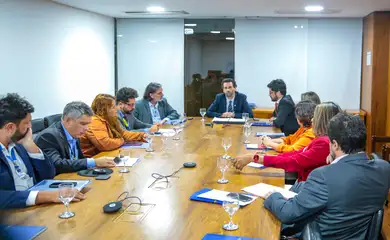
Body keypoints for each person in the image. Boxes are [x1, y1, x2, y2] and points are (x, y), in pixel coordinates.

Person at [263, 113, 390, 239]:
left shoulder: (323, 176)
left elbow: (288, 214)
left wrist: (273, 197)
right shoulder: (384, 169)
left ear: (334, 144)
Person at [0, 94, 85, 209]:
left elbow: (49, 174)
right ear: (10, 128)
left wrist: (31, 145)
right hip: (12, 214)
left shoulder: (19, 144)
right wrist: (44, 196)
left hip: (35, 208)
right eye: (26, 123)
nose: (30, 127)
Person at [233, 102, 342, 182]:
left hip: (307, 190)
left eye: (316, 117)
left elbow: (294, 161)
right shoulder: (322, 140)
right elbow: (295, 154)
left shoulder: (323, 143)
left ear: (323, 121)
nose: (312, 120)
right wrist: (259, 157)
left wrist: (254, 158)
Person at [35, 101, 116, 174]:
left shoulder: (75, 132)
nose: (87, 128)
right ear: (68, 120)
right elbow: (57, 165)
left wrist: (97, 165)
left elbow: (78, 159)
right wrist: (94, 162)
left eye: (88, 124)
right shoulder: (48, 136)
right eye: (83, 124)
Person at [80, 94, 146, 158]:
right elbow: (105, 144)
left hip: (105, 156)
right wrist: (122, 140)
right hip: (93, 159)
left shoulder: (110, 118)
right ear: (104, 109)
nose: (117, 109)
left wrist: (141, 135)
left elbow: (123, 133)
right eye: (113, 107)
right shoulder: (95, 121)